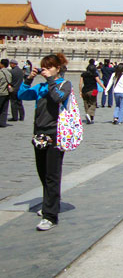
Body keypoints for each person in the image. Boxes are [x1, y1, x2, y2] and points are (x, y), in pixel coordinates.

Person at [18, 53, 71, 231]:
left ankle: (50, 216)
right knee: (42, 173)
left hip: (55, 134)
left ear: (57, 69)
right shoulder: (40, 87)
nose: (46, 70)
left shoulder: (64, 85)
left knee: (52, 176)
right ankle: (49, 204)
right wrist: (29, 78)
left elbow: (58, 98)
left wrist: (50, 81)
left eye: (49, 67)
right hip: (39, 133)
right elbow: (22, 95)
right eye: (44, 67)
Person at [0, 59, 11, 127]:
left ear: (2, 64)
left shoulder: (1, 72)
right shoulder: (9, 72)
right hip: (7, 92)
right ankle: (2, 122)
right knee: (4, 109)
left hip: (1, 92)